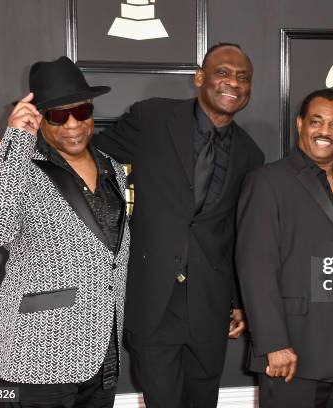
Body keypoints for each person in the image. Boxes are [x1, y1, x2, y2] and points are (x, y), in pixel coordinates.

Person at [92, 43, 263, 407]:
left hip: (209, 305)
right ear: (199, 78)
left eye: (243, 77)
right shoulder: (152, 118)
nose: (233, 82)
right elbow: (87, 156)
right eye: (223, 72)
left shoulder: (252, 154)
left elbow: (241, 235)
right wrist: (26, 146)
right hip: (154, 299)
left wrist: (237, 300)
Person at [0, 56, 130, 407]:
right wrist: (15, 144)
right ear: (39, 118)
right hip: (37, 354)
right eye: (58, 115)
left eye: (82, 111)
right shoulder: (13, 168)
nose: (72, 124)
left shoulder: (113, 169)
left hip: (102, 353)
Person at [236, 89, 333, 407]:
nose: (325, 131)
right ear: (300, 124)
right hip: (293, 352)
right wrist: (274, 343)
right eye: (316, 121)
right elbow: (255, 267)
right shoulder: (267, 181)